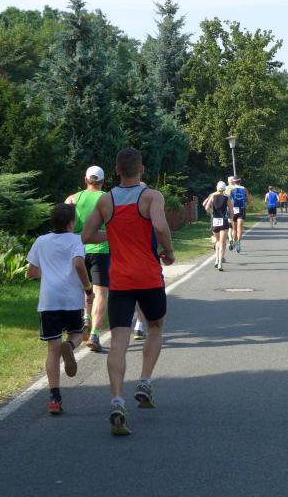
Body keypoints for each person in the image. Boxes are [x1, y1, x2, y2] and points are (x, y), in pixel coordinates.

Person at [82, 148, 175, 436]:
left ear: (117, 170)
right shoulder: (151, 196)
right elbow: (160, 227)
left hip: (120, 280)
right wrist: (169, 252)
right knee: (155, 326)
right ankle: (145, 381)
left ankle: (117, 400)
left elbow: (86, 236)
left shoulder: (105, 200)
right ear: (142, 169)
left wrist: (114, 234)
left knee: (119, 340)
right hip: (148, 277)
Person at [26, 203, 93, 415]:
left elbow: (31, 272)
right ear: (71, 223)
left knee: (52, 350)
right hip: (71, 299)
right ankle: (70, 347)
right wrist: (88, 288)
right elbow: (79, 264)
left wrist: (48, 271)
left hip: (49, 301)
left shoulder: (41, 241)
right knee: (77, 333)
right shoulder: (76, 240)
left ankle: (54, 398)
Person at [65, 166, 109, 352]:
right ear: (103, 181)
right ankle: (95, 335)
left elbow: (64, 225)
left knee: (84, 287)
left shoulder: (72, 199)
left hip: (77, 249)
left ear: (85, 180)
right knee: (101, 292)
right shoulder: (108, 199)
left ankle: (85, 318)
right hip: (101, 249)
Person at [203, 181, 233, 271]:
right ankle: (219, 262)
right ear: (224, 188)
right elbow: (231, 210)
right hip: (224, 221)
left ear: (217, 187)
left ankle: (216, 260)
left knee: (218, 241)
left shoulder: (212, 196)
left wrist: (212, 213)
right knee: (222, 243)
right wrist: (231, 219)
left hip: (215, 221)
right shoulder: (227, 197)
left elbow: (206, 207)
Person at [229, 176, 248, 253]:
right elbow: (248, 200)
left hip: (233, 209)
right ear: (240, 181)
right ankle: (238, 242)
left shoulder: (231, 189)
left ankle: (234, 241)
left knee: (234, 229)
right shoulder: (244, 189)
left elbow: (228, 199)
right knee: (240, 228)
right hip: (241, 209)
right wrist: (246, 203)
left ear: (234, 182)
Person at [224, 176, 236, 249]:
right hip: (236, 208)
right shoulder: (236, 188)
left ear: (228, 181)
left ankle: (230, 239)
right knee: (234, 226)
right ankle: (234, 241)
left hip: (228, 208)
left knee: (229, 226)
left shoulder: (225, 188)